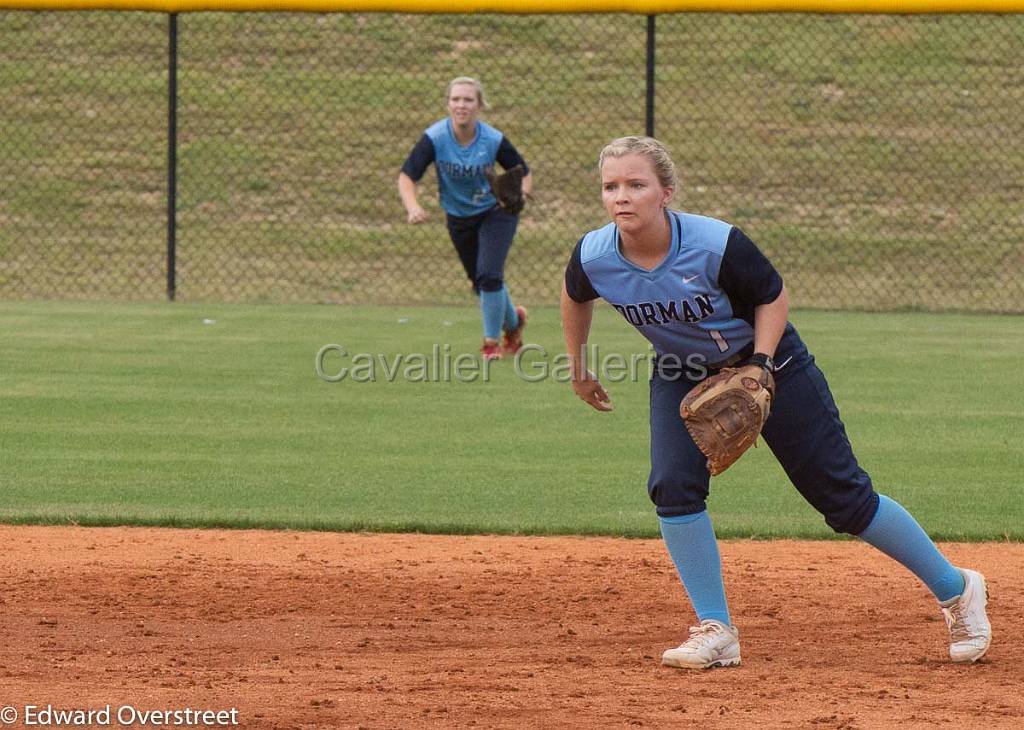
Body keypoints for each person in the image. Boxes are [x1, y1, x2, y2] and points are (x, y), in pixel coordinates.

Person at [561, 135, 992, 669]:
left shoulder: (714, 244)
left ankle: (957, 589)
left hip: (770, 363)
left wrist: (761, 365)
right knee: (673, 485)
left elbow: (772, 296)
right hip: (680, 370)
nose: (621, 196)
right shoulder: (595, 255)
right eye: (610, 186)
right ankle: (716, 628)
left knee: (843, 498)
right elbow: (575, 295)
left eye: (635, 184)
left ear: (665, 192)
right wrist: (578, 367)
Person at [398, 76, 532, 360]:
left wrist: (520, 195)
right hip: (458, 217)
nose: (461, 105)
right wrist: (413, 207)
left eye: (468, 99)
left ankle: (490, 343)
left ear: (479, 105)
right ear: (448, 104)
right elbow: (408, 176)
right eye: (456, 99)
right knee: (480, 283)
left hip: (496, 213)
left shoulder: (492, 139)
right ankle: (514, 322)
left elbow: (523, 171)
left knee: (489, 275)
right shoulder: (435, 138)